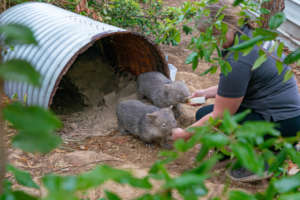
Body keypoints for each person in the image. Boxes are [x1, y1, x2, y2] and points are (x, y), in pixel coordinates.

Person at [172, 0, 300, 182]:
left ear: (227, 27)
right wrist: (206, 93)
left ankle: (263, 160)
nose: (213, 42)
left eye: (215, 36)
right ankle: (245, 150)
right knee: (203, 112)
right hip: (287, 116)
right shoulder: (252, 36)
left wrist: (184, 134)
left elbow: (220, 115)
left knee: (214, 122)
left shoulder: (239, 59)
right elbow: (242, 86)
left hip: (280, 122)